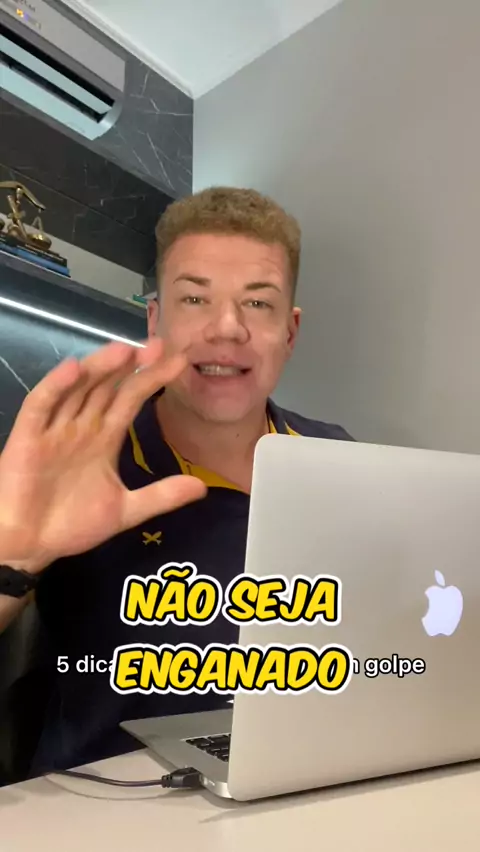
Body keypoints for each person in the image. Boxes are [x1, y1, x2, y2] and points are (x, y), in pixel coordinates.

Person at [0, 186, 353, 777]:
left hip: (300, 783)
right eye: (194, 298)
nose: (228, 327)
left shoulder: (338, 462)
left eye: (257, 303)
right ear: (155, 321)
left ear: (290, 332)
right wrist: (16, 553)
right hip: (103, 802)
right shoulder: (80, 460)